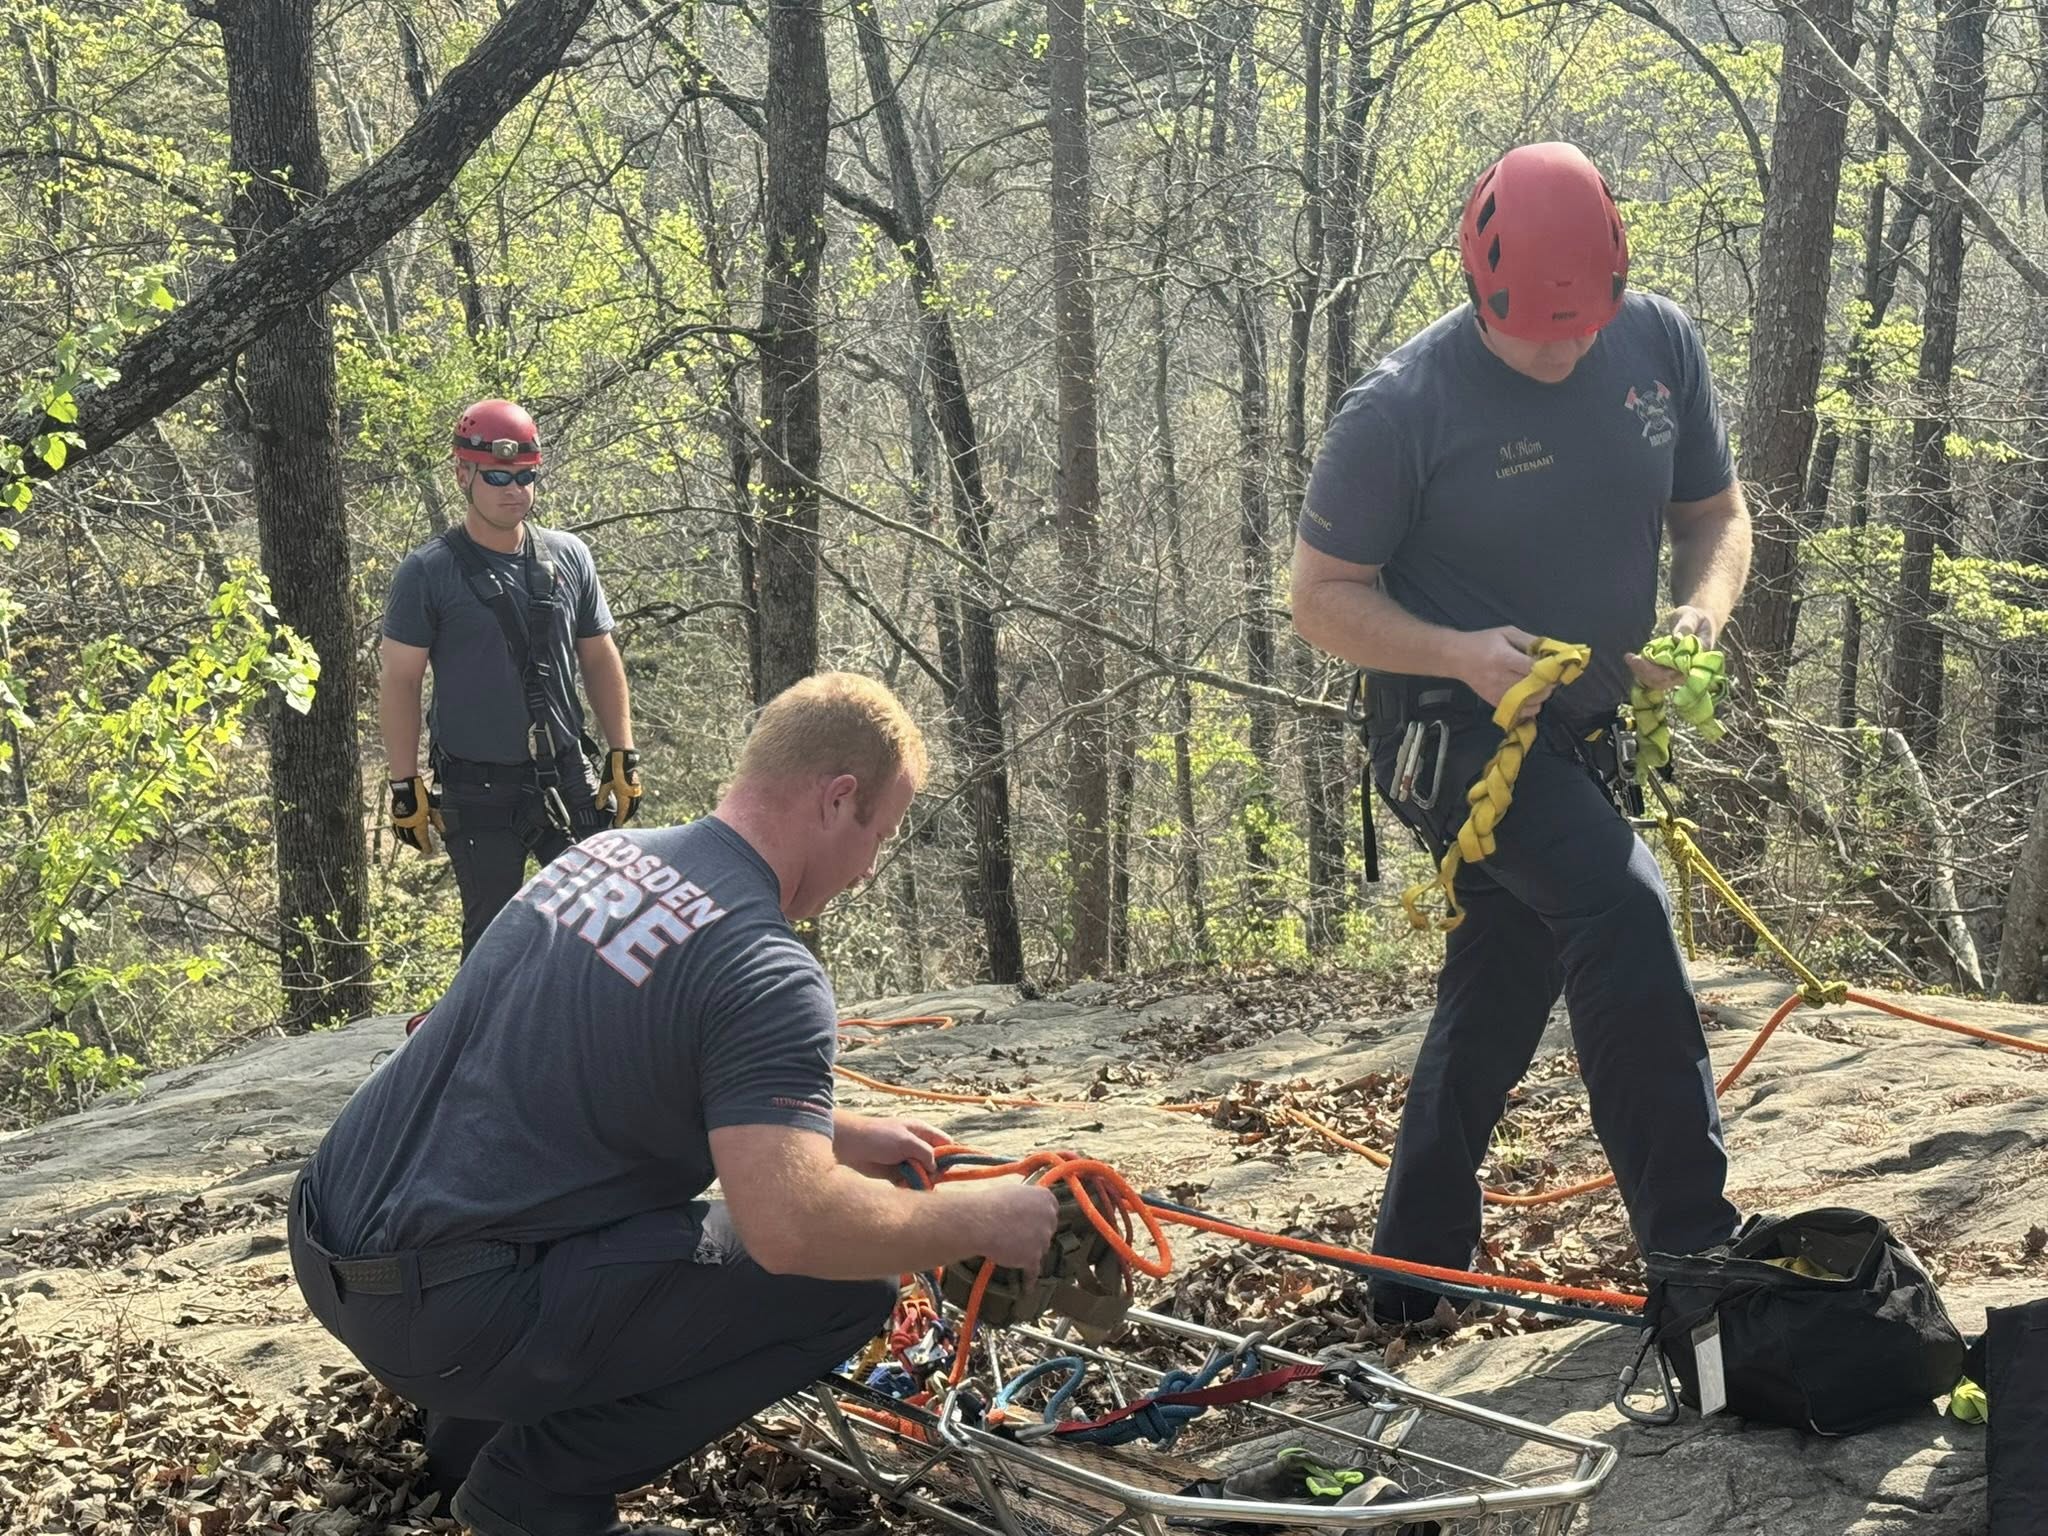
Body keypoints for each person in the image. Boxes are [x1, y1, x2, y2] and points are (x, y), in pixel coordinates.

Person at [289, 673, 1060, 1536]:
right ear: (838, 798)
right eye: (876, 834)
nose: (870, 867)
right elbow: (792, 1229)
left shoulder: (600, 859)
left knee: (577, 1201)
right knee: (844, 1284)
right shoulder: (767, 967)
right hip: (445, 1322)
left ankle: (466, 1440)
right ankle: (536, 1493)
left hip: (327, 1244)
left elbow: (578, 1061)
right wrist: (979, 1219)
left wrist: (837, 1134)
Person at [1290, 142, 1752, 1323]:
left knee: (1502, 974)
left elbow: (1713, 513)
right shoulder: (1401, 407)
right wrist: (1455, 651)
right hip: (1449, 732)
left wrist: (1697, 616)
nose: (1561, 352)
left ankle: (1409, 1277)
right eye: (1533, 333)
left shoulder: (1656, 343)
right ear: (1476, 286)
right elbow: (1319, 600)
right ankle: (1698, 1269)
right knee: (1620, 906)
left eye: (1581, 326)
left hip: (1584, 729)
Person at [382, 398, 644, 958]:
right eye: (498, 476)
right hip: (476, 790)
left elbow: (599, 657)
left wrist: (622, 754)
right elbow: (400, 681)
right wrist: (405, 785)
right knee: (492, 948)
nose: (515, 490)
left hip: (566, 777)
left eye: (526, 477)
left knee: (606, 933)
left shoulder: (570, 556)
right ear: (463, 474)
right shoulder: (428, 572)